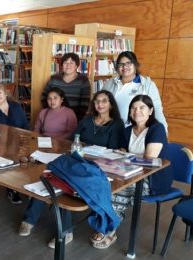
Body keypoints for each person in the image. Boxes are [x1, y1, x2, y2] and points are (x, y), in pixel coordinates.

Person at [19, 90, 125, 249]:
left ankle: (65, 231)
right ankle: (29, 219)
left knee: (65, 185)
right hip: (76, 160)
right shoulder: (88, 120)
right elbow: (73, 139)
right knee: (47, 178)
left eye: (104, 101)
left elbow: (114, 150)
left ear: (110, 104)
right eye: (97, 101)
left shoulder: (116, 124)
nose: (100, 104)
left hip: (95, 167)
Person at [91, 95, 172, 249]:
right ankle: (104, 223)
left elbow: (149, 160)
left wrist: (127, 156)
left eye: (142, 107)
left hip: (153, 179)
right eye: (133, 108)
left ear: (151, 110)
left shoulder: (157, 128)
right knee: (102, 184)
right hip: (129, 173)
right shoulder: (128, 130)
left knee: (116, 190)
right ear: (129, 112)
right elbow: (120, 153)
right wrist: (126, 157)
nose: (137, 111)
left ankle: (109, 230)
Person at [0, 83, 29, 204]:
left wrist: (25, 142)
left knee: (26, 157)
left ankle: (24, 186)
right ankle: (12, 189)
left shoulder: (16, 106)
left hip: (18, 142)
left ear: (5, 93)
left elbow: (25, 126)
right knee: (9, 156)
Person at [102, 51, 168, 131]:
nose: (124, 67)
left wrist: (163, 132)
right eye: (121, 64)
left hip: (137, 131)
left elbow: (157, 110)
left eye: (128, 63)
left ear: (135, 65)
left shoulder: (147, 85)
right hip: (111, 130)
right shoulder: (109, 84)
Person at [41, 52, 91, 121]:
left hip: (75, 119)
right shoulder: (54, 79)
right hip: (54, 117)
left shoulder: (83, 80)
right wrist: (51, 112)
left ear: (76, 66)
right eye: (65, 63)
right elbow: (44, 96)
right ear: (61, 65)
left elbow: (85, 103)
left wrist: (74, 118)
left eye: (71, 63)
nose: (68, 65)